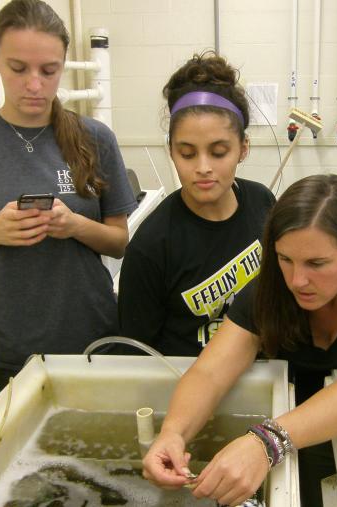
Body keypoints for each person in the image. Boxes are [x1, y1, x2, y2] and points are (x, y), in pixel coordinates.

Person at [142, 174, 337, 507]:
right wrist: (173, 433)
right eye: (285, 259)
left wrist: (265, 442)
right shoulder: (271, 288)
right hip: (287, 416)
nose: (297, 280)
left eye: (317, 263)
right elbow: (210, 372)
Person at [0, 0, 137, 388]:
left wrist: (74, 224)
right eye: (18, 68)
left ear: (62, 64)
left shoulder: (95, 138)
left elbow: (119, 242)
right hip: (7, 344)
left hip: (90, 337)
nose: (34, 85)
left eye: (49, 70)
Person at [118, 52, 276, 356]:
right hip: (188, 384)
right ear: (171, 151)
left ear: (243, 148)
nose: (203, 167)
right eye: (187, 154)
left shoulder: (263, 205)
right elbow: (137, 356)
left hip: (263, 376)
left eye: (218, 152)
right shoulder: (151, 246)